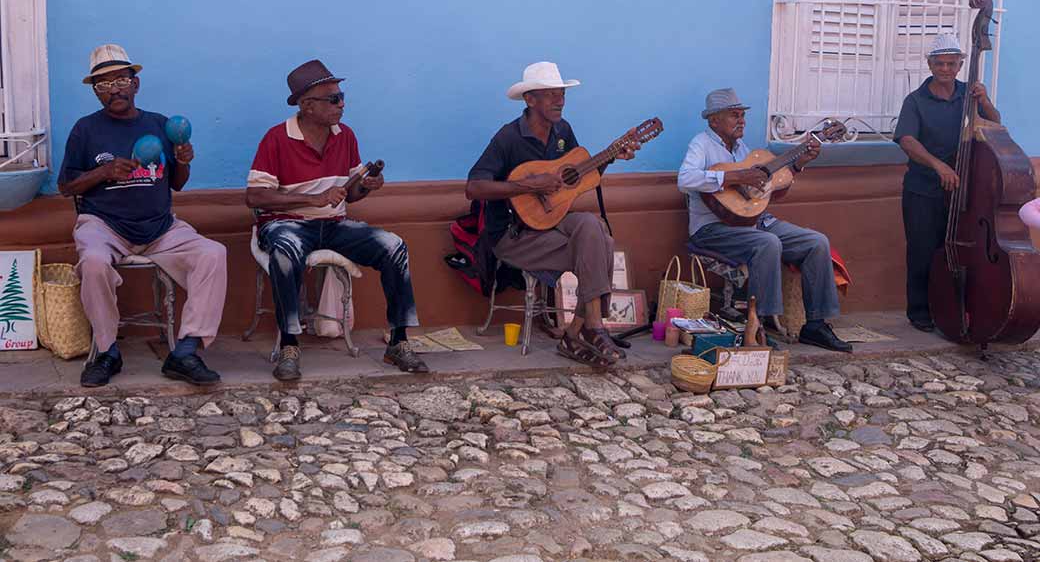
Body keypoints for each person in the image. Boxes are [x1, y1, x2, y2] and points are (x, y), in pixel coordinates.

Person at [245, 59, 427, 380]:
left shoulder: (345, 136)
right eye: (333, 99)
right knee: (285, 250)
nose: (341, 104)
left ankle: (398, 341)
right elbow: (255, 197)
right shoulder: (276, 138)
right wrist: (311, 198)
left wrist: (366, 186)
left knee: (394, 246)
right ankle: (290, 344)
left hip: (333, 224)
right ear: (307, 105)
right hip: (286, 223)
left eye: (342, 97)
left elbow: (350, 194)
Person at [58, 44, 227, 387]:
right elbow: (66, 186)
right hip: (104, 226)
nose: (114, 89)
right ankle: (107, 351)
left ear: (136, 84)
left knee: (214, 253)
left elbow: (177, 184)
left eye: (121, 79)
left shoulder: (161, 125)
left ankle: (186, 351)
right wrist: (103, 173)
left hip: (160, 229)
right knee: (93, 262)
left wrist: (183, 160)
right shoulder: (85, 130)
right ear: (96, 93)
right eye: (103, 85)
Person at [465, 61, 638, 367]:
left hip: (552, 225)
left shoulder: (563, 131)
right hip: (514, 234)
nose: (560, 100)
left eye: (562, 94)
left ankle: (580, 330)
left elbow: (578, 176)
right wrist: (527, 185)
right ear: (530, 100)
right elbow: (474, 187)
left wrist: (611, 156)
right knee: (601, 246)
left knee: (592, 227)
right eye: (551, 95)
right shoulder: (508, 138)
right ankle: (585, 331)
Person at [678, 87, 850, 352]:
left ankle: (815, 324)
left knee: (816, 242)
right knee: (767, 243)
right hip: (712, 229)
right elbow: (685, 179)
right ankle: (757, 325)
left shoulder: (744, 149)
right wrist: (734, 178)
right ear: (714, 120)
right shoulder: (701, 144)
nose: (742, 121)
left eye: (743, 115)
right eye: (734, 115)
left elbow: (770, 186)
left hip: (752, 223)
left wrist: (797, 164)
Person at [894, 33, 1001, 333]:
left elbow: (995, 124)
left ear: (960, 64)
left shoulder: (970, 94)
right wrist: (938, 164)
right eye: (939, 63)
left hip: (964, 190)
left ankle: (955, 307)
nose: (945, 69)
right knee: (923, 250)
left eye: (951, 63)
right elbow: (907, 140)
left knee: (959, 248)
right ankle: (920, 312)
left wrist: (986, 102)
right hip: (924, 188)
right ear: (930, 65)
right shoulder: (915, 100)